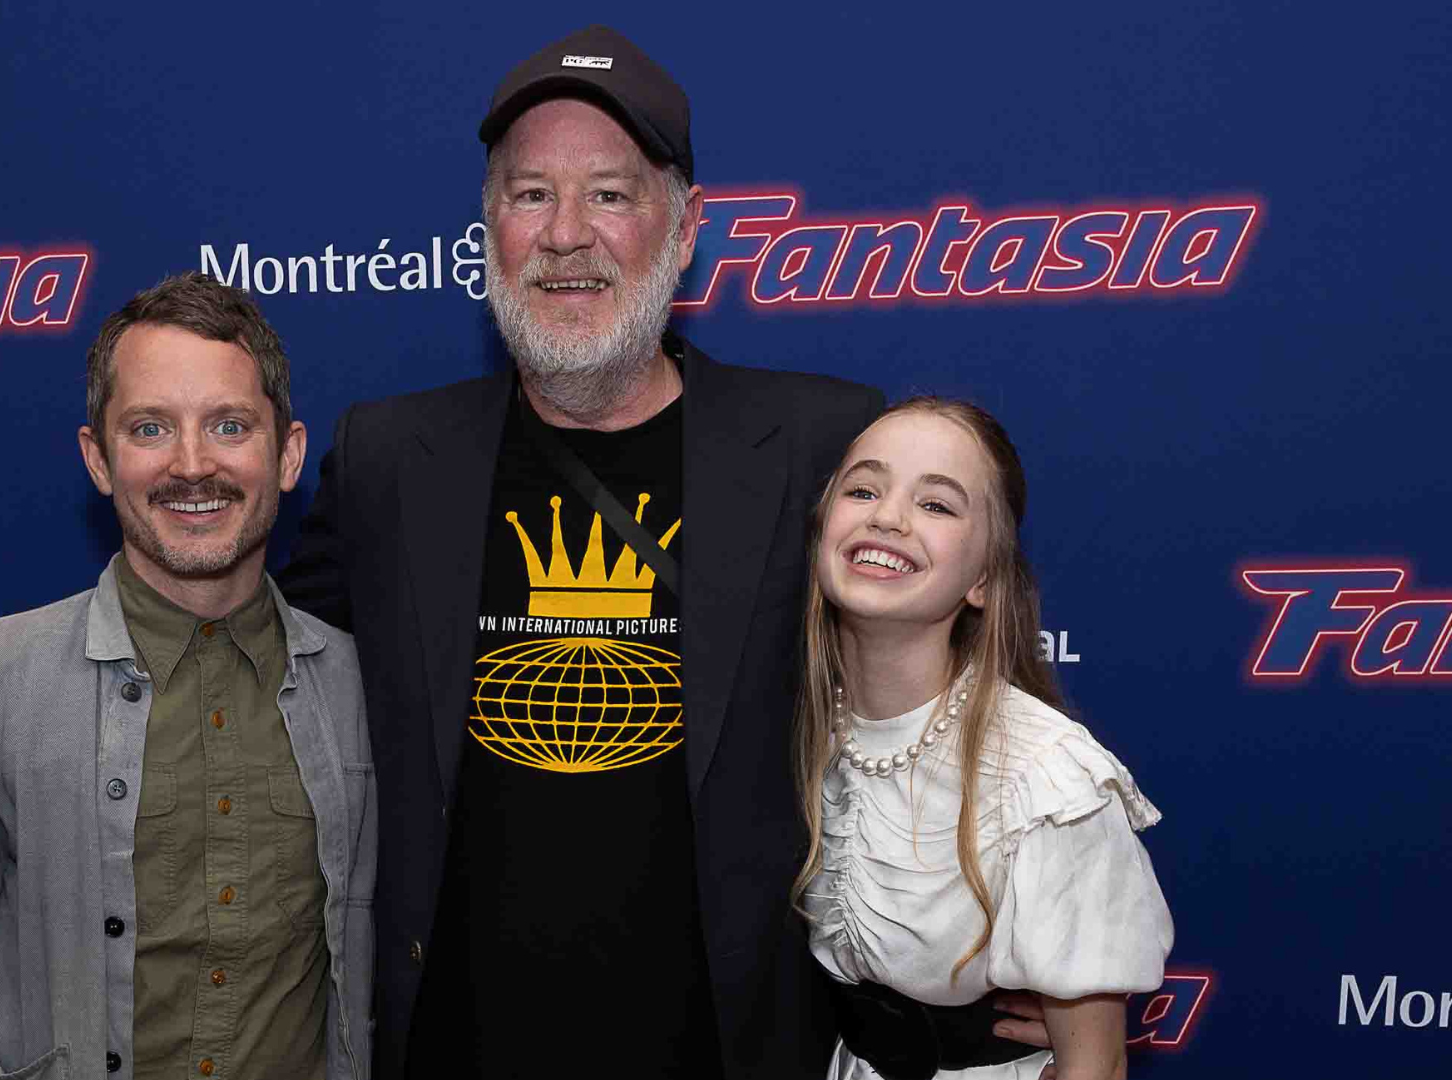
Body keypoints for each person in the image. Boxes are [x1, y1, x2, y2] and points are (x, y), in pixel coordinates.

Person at [278, 25, 1053, 1080]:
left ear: (684, 231)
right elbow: (277, 685)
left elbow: (974, 670)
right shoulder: (387, 458)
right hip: (455, 1045)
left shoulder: (821, 446)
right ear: (488, 229)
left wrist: (1036, 929)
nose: (565, 235)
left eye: (609, 194)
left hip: (731, 1048)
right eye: (528, 194)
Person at [0, 272, 374, 1080]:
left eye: (230, 425)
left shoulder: (361, 686)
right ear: (98, 459)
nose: (191, 464)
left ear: (288, 455)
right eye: (149, 428)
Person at [795, 398, 1174, 1080]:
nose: (888, 516)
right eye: (863, 489)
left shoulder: (1047, 780)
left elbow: (1095, 1067)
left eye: (937, 505)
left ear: (983, 579)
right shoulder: (785, 725)